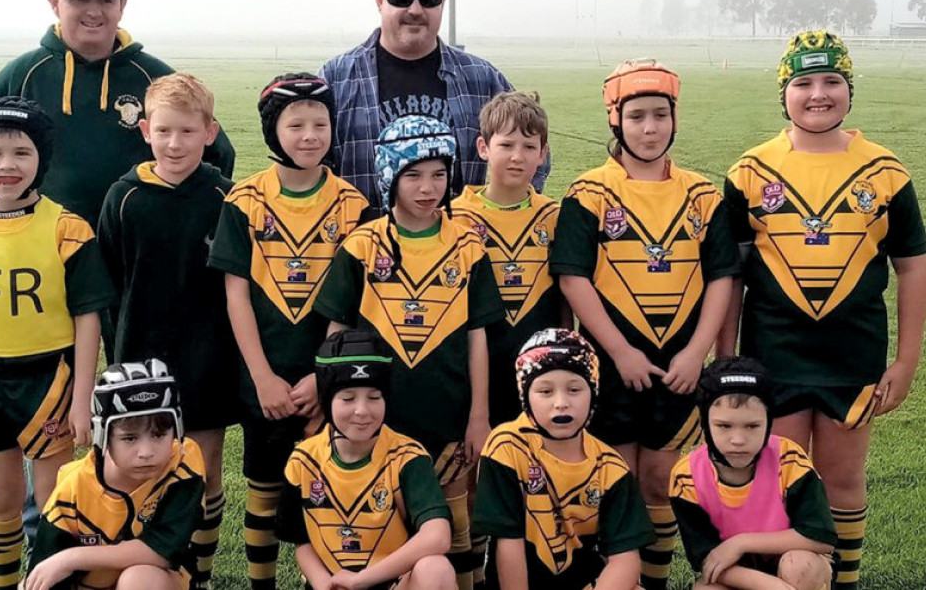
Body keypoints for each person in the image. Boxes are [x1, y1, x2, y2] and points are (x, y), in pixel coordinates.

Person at [719, 30, 926, 589]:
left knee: (841, 481)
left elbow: (912, 268)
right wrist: (725, 361)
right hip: (773, 356)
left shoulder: (885, 171)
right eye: (803, 82)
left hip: (851, 357)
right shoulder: (750, 172)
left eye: (831, 80)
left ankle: (844, 583)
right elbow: (730, 279)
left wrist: (905, 363)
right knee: (777, 482)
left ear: (849, 89)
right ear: (783, 93)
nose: (818, 94)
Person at [550, 60, 740, 589]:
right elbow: (573, 279)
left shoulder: (703, 197)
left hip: (678, 367)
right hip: (610, 369)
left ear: (675, 119)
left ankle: (651, 582)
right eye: (636, 116)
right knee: (610, 480)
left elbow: (721, 278)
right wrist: (620, 352)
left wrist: (695, 354)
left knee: (659, 480)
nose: (650, 127)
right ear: (615, 120)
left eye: (660, 115)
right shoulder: (588, 194)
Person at [0, 97, 112, 589]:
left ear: (41, 160)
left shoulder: (68, 230)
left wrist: (81, 398)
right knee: (3, 500)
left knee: (56, 503)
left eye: (22, 153)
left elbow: (87, 317)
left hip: (49, 380)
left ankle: (51, 581)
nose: (6, 166)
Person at [314, 115, 505, 590]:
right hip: (379, 411)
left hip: (449, 408)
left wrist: (478, 415)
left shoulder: (468, 246)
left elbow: (478, 335)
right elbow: (336, 334)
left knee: (456, 520)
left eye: (439, 174)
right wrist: (325, 402)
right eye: (413, 175)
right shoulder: (362, 245)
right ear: (389, 177)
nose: (428, 188)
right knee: (387, 515)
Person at [208, 73, 369, 590]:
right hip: (266, 377)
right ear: (272, 132)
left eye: (320, 124)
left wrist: (325, 380)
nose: (309, 135)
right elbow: (235, 294)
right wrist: (262, 378)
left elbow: (349, 302)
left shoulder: (352, 204)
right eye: (295, 124)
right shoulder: (245, 200)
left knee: (325, 494)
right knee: (264, 488)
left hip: (326, 378)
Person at [0, 0, 235, 226]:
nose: (93, 11)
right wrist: (1, 221)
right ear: (54, 2)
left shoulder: (155, 78)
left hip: (137, 248)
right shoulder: (22, 76)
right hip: (45, 245)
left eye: (106, 0)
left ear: (122, 5)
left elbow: (217, 152)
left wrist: (187, 217)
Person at [96, 72, 238, 589]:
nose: (174, 144)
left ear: (210, 131)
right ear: (145, 132)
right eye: (163, 131)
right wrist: (116, 354)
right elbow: (107, 282)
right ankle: (154, 569)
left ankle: (198, 574)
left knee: (202, 470)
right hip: (138, 357)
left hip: (208, 359)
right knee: (143, 470)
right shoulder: (124, 197)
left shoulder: (227, 196)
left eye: (186, 131)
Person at [319, 0, 549, 216]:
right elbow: (310, 174)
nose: (415, 9)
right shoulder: (337, 79)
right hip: (365, 254)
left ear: (443, 1)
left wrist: (508, 221)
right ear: (379, 0)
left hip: (461, 254)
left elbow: (535, 157)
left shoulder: (482, 80)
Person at [472, 328, 655, 590]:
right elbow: (507, 543)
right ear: (526, 397)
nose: (561, 403)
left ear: (593, 394)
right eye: (545, 391)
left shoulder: (611, 467)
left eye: (574, 389)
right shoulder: (506, 447)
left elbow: (625, 559)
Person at [276, 329, 456, 590]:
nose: (362, 410)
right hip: (333, 585)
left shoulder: (407, 457)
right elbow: (302, 542)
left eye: (374, 397)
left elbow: (438, 536)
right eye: (348, 398)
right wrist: (323, 583)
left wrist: (360, 581)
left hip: (390, 583)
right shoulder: (303, 461)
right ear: (327, 401)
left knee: (435, 569)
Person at [26, 360, 206, 590]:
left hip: (157, 580)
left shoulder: (183, 462)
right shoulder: (73, 489)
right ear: (103, 436)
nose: (146, 452)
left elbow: (159, 552)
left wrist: (70, 558)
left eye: (159, 435)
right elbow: (45, 573)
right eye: (130, 438)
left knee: (138, 580)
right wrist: (57, 564)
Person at [452, 91, 568, 428]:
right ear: (484, 148)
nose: (518, 157)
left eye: (529, 147)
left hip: (540, 370)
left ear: (543, 153)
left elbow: (565, 296)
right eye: (506, 145)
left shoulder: (555, 217)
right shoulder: (456, 217)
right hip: (474, 370)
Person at [669, 357, 836, 590]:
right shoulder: (687, 477)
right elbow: (707, 560)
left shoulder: (789, 461)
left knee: (800, 566)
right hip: (735, 573)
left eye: (752, 426)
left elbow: (820, 538)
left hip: (793, 566)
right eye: (724, 426)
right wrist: (770, 586)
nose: (738, 440)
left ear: (768, 422)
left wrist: (741, 543)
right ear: (705, 423)